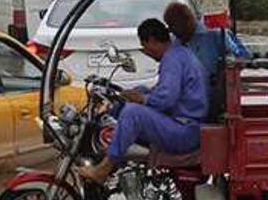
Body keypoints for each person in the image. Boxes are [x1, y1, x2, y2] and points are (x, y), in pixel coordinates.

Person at [76, 18, 208, 184]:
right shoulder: (178, 53)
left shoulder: (173, 59)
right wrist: (138, 95)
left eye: (145, 46)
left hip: (184, 130)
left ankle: (104, 169)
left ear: (152, 40)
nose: (146, 51)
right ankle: (113, 134)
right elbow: (164, 92)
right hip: (182, 124)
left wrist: (142, 99)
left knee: (133, 112)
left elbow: (166, 99)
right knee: (139, 91)